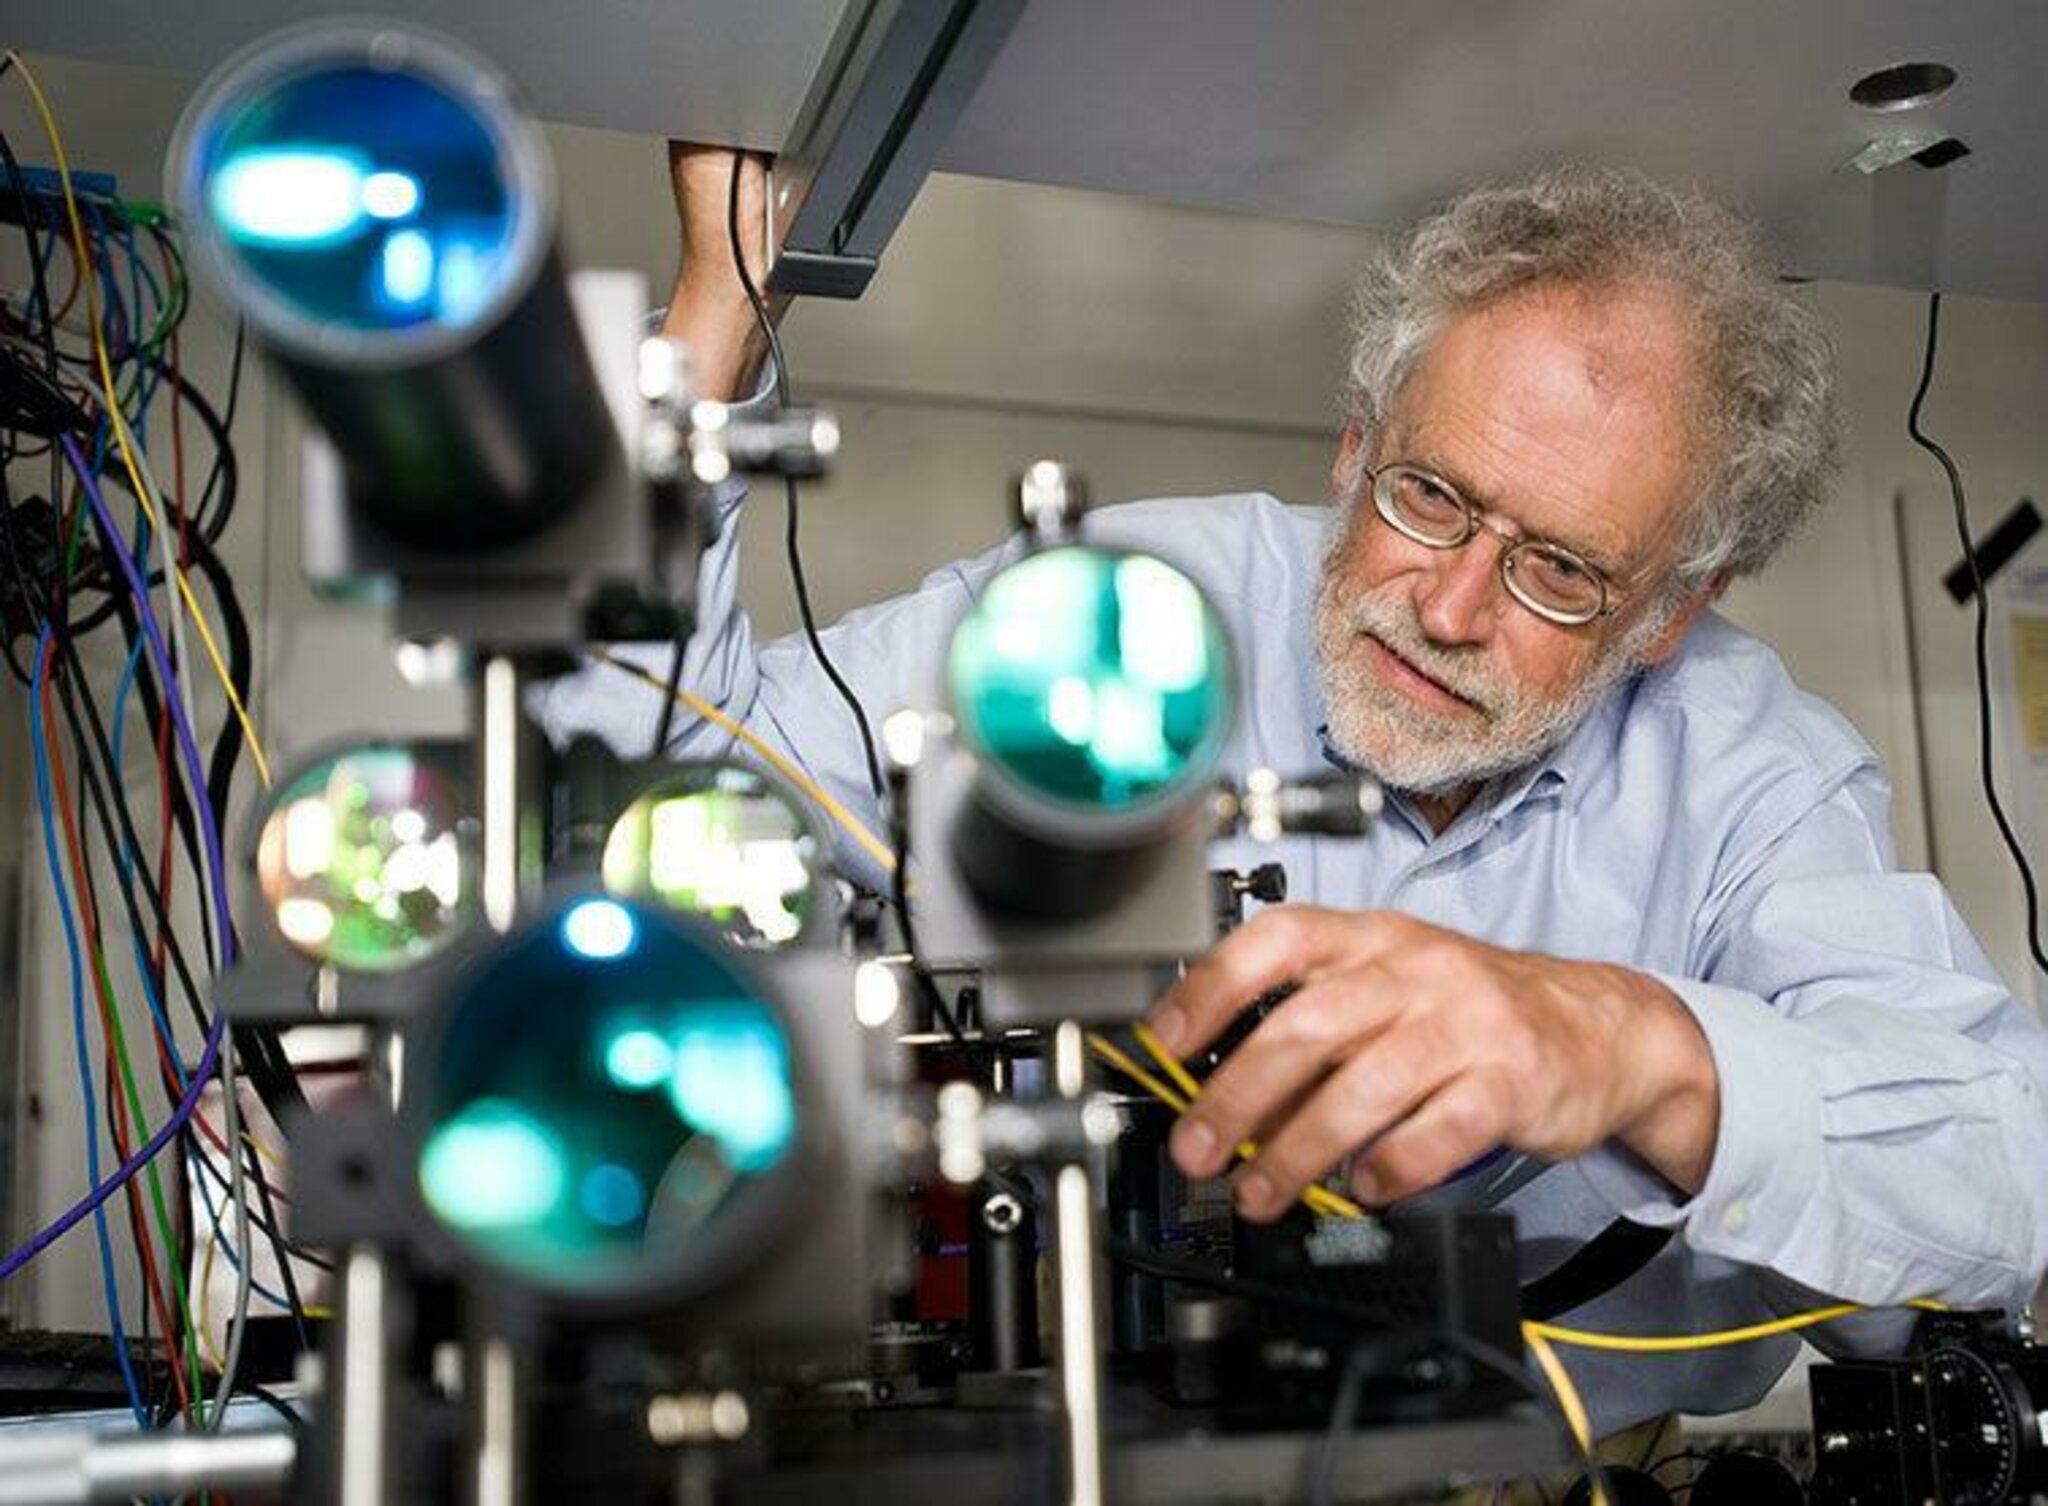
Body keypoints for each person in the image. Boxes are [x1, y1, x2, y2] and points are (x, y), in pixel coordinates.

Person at [531, 151, 2048, 1434]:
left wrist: (1634, 1048)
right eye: (1430, 496)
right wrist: (716, 312)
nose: (1451, 609)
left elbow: (2002, 1178)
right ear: (1352, 448)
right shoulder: (1126, 610)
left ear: (1672, 609)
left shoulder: (1753, 769)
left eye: (1562, 571)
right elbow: (667, 811)